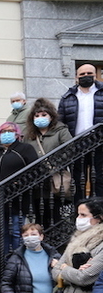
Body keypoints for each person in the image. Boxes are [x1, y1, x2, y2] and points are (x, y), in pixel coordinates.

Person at [0, 122, 38, 255]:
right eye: (3, 131)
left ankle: (17, 261)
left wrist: (19, 184)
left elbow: (35, 171)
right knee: (3, 233)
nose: (6, 133)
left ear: (17, 133)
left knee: (17, 231)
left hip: (17, 199)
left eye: (10, 131)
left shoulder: (25, 149)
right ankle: (4, 263)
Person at [23, 98, 73, 228]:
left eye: (44, 115)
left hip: (54, 177)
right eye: (37, 115)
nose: (40, 118)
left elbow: (71, 148)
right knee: (39, 214)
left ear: (51, 116)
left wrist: (56, 163)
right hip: (36, 180)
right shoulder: (29, 135)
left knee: (54, 212)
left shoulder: (61, 130)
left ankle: (56, 242)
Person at [58, 64, 103, 198]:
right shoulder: (68, 97)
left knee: (99, 178)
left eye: (89, 73)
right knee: (78, 179)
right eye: (82, 74)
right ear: (76, 77)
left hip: (99, 141)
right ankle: (80, 210)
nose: (85, 76)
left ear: (95, 75)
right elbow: (60, 121)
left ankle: (98, 211)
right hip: (76, 143)